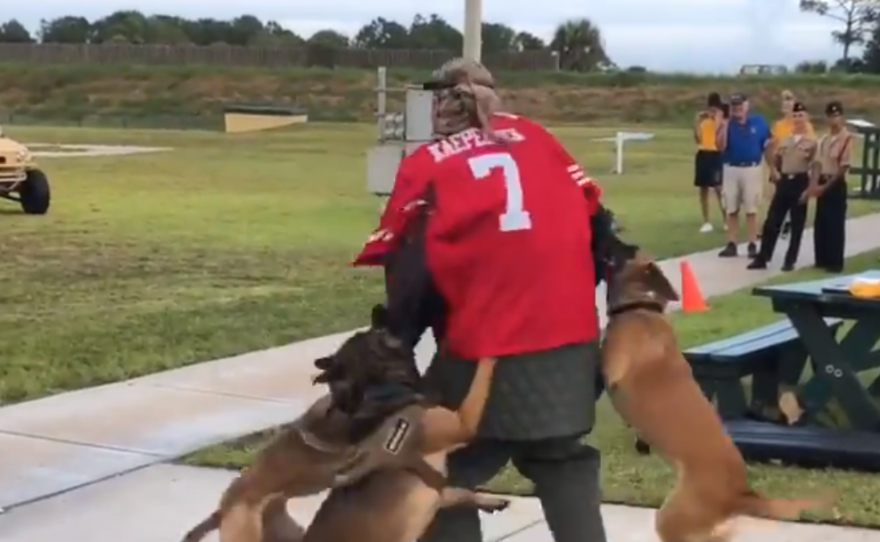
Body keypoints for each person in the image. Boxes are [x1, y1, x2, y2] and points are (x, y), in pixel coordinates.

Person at [353, 58, 622, 542]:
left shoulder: (428, 165)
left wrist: (395, 341)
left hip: (487, 349)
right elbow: (601, 228)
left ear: (440, 103)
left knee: (433, 466)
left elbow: (413, 271)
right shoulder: (541, 140)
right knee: (560, 459)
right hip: (571, 341)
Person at [747, 102, 815, 272]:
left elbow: (815, 165)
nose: (798, 118)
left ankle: (790, 260)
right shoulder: (786, 139)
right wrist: (775, 171)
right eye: (795, 115)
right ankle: (763, 257)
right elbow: (776, 158)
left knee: (797, 224)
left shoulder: (812, 141)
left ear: (807, 118)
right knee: (772, 221)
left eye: (801, 115)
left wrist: (810, 189)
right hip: (785, 181)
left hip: (800, 180)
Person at [715, 93, 773, 258]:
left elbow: (768, 144)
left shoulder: (759, 122)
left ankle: (752, 242)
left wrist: (772, 167)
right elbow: (720, 146)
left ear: (746, 105)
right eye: (734, 106)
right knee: (731, 207)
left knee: (751, 207)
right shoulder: (727, 125)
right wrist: (724, 124)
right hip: (731, 167)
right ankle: (732, 243)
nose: (737, 109)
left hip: (752, 168)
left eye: (740, 105)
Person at [807, 101, 852, 273]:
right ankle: (822, 259)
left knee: (835, 224)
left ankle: (834, 262)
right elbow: (817, 163)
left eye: (837, 115)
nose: (834, 119)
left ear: (842, 117)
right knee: (821, 223)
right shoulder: (824, 140)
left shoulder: (846, 139)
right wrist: (814, 185)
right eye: (831, 116)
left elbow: (843, 167)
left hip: (835, 183)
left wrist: (824, 187)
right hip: (822, 180)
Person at [770, 90, 816, 240]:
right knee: (779, 199)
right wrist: (773, 168)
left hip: (798, 165)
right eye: (784, 102)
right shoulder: (779, 125)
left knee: (795, 200)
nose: (787, 106)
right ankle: (778, 226)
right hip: (783, 162)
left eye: (789, 102)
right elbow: (775, 145)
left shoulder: (804, 125)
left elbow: (811, 144)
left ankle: (789, 225)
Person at [693, 92, 725, 233]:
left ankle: (726, 219)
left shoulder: (722, 119)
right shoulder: (704, 121)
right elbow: (698, 138)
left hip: (716, 153)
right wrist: (696, 121)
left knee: (719, 187)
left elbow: (720, 133)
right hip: (703, 153)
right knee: (703, 188)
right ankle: (706, 221)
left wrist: (717, 117)